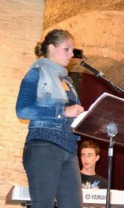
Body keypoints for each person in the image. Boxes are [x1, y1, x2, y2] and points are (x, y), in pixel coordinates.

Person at [16, 29, 85, 208]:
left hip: (69, 150)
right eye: (67, 49)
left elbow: (71, 115)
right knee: (43, 204)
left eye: (72, 50)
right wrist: (62, 112)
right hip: (43, 146)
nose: (71, 54)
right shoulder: (36, 74)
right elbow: (23, 110)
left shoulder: (68, 82)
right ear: (52, 48)